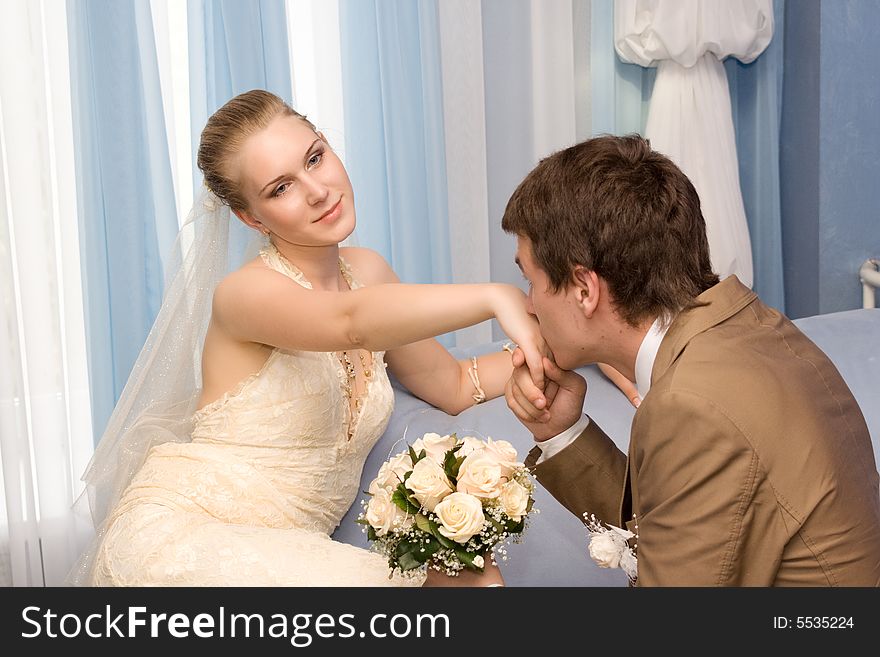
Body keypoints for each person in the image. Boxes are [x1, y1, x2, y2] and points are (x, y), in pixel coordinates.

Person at [70, 89, 546, 587]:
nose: (318, 190)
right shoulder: (244, 295)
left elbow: (451, 383)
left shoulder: (369, 273)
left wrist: (573, 345)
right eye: (280, 188)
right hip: (181, 536)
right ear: (251, 218)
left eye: (315, 158)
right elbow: (349, 322)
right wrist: (496, 296)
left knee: (473, 580)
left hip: (293, 550)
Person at [503, 134, 880, 586]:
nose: (529, 306)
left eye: (530, 280)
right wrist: (560, 431)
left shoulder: (690, 404)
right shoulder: (751, 328)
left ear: (585, 289)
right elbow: (679, 532)